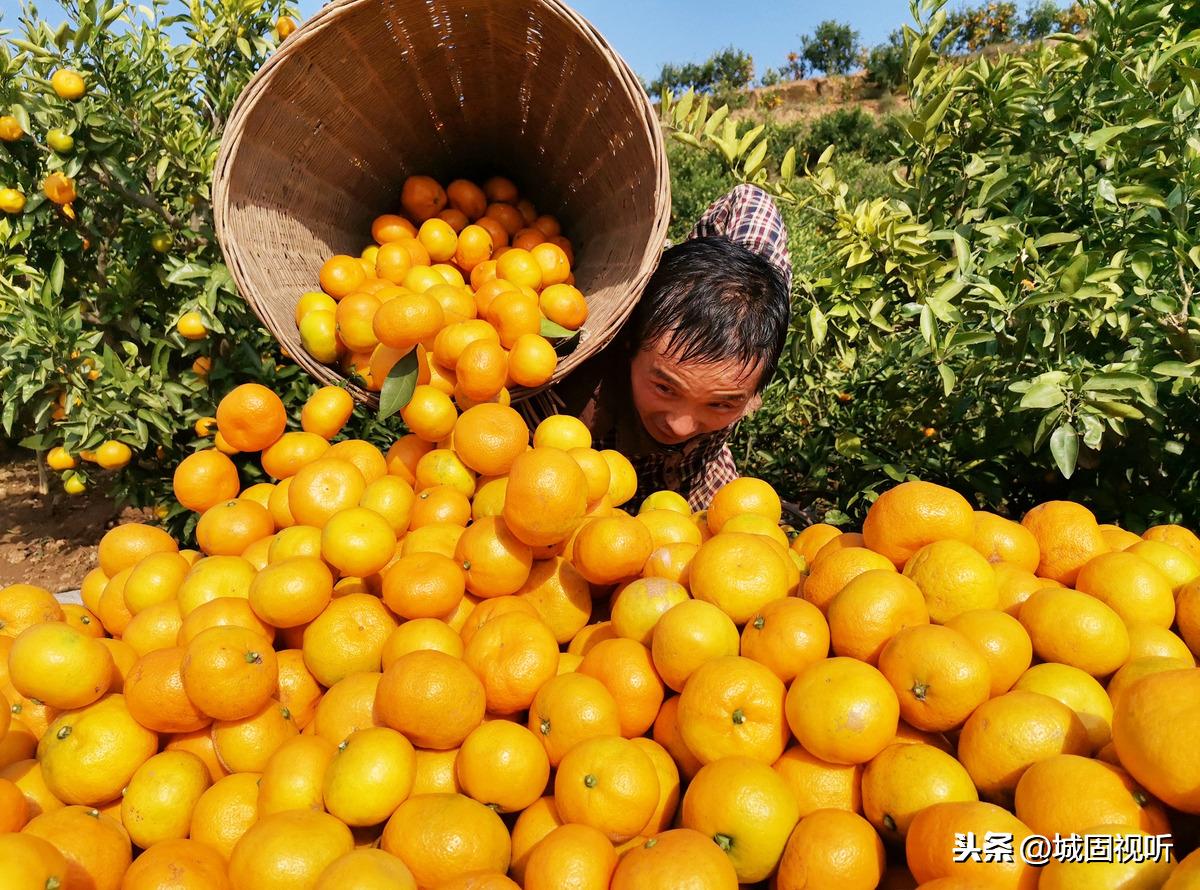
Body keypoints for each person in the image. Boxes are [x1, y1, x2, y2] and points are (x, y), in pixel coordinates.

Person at [520, 183, 793, 511]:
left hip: (702, 473)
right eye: (665, 387)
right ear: (631, 342)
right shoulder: (570, 405)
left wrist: (701, 268)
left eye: (721, 405)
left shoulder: (758, 307)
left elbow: (751, 199)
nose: (681, 425)